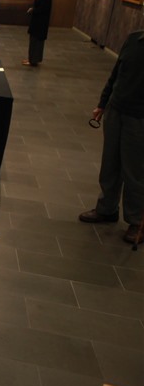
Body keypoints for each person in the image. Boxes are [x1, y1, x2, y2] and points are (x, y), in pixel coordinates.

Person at [79, 30, 144, 245]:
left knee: (134, 170)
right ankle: (106, 208)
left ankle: (136, 221)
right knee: (110, 163)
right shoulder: (134, 39)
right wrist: (103, 102)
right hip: (116, 110)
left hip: (140, 118)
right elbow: (116, 73)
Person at [23, 0, 54, 67]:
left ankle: (33, 60)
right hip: (37, 19)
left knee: (36, 41)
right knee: (33, 40)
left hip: (40, 21)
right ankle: (31, 58)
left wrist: (34, 10)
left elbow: (44, 8)